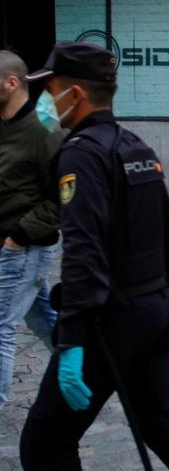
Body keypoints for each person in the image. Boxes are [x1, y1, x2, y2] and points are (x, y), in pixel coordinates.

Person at [20, 42, 169, 470]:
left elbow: (82, 249)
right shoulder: (135, 146)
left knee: (45, 439)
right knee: (160, 421)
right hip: (155, 308)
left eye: (49, 90)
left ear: (73, 95)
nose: (44, 102)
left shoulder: (81, 153)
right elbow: (168, 227)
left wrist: (71, 339)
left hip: (113, 318)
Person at [0, 51, 62, 411]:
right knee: (41, 316)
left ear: (11, 83)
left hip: (24, 248)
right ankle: (86, 368)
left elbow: (64, 195)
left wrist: (18, 236)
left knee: (2, 326)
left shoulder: (44, 126)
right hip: (10, 245)